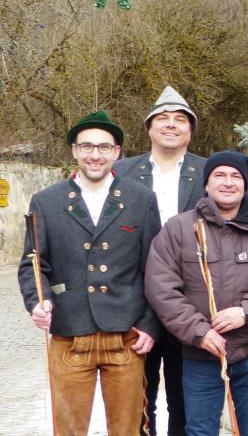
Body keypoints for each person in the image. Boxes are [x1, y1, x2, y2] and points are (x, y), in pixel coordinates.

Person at [18, 110, 161, 434]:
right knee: (68, 429)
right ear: (74, 150)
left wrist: (150, 324)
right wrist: (37, 301)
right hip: (69, 332)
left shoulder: (140, 199)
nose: (95, 155)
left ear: (117, 152)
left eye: (104, 147)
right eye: (86, 146)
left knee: (127, 429)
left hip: (126, 336)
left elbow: (154, 268)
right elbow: (33, 263)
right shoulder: (46, 201)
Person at [145, 151, 248, 435]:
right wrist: (199, 331)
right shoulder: (179, 229)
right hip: (200, 354)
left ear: (245, 184)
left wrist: (247, 311)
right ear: (206, 183)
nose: (228, 182)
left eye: (236, 176)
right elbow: (161, 288)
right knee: (200, 430)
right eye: (219, 175)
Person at [115, 86, 205, 436]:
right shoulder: (121, 172)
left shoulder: (208, 172)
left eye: (180, 119)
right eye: (162, 119)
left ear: (190, 130)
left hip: (191, 299)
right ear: (149, 128)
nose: (171, 125)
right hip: (135, 300)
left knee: (186, 397)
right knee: (138, 395)